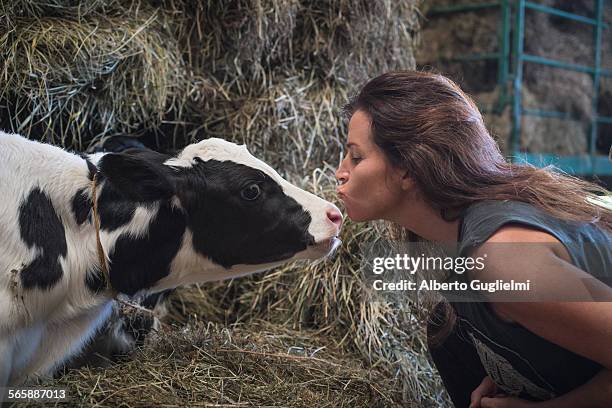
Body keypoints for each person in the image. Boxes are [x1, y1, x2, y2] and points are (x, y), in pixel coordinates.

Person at [334, 71, 612, 408]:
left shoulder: (504, 259)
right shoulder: (464, 240)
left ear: (408, 167)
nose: (341, 172)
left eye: (356, 156)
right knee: (446, 330)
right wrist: (511, 370)